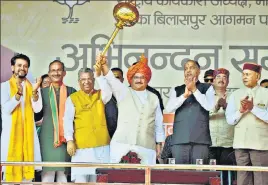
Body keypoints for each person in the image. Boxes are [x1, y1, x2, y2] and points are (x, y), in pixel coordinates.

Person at [97, 54, 165, 164]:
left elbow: (158, 122)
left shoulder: (154, 97)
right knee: (119, 178)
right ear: (130, 78)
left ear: (147, 79)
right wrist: (104, 65)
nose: (139, 80)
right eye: (136, 77)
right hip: (122, 145)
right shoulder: (123, 91)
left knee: (145, 179)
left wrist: (159, 143)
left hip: (146, 147)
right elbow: (111, 79)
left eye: (142, 77)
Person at [64, 67, 112, 182]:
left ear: (94, 80)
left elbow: (108, 92)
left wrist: (99, 75)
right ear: (78, 82)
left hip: (101, 145)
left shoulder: (101, 95)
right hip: (81, 147)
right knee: (81, 180)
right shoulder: (72, 98)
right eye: (83, 79)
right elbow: (67, 120)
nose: (86, 82)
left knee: (99, 180)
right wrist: (69, 140)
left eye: (90, 79)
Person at [1, 54, 42, 183]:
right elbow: (7, 109)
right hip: (10, 142)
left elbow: (37, 108)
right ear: (13, 67)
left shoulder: (32, 87)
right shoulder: (4, 86)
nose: (22, 68)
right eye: (19, 65)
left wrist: (35, 92)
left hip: (28, 141)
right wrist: (18, 94)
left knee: (27, 180)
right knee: (9, 180)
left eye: (25, 66)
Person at [225, 62, 268, 185]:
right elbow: (229, 120)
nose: (244, 77)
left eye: (248, 74)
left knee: (261, 179)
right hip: (240, 144)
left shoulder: (266, 94)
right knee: (242, 178)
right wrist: (241, 111)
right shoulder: (235, 94)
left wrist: (253, 108)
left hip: (260, 145)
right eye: (243, 74)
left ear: (258, 77)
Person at [165, 60, 215, 164]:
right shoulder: (177, 89)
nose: (188, 70)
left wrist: (194, 90)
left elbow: (209, 107)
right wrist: (184, 96)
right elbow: (169, 108)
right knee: (180, 175)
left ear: (199, 71)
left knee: (199, 174)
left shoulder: (207, 88)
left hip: (201, 139)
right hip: (179, 139)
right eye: (186, 68)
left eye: (191, 67)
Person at [39, 60, 76, 182]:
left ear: (64, 73)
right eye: (53, 70)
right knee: (47, 174)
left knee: (62, 174)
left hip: (66, 138)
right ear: (49, 74)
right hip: (47, 137)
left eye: (59, 70)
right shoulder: (41, 93)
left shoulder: (72, 92)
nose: (56, 72)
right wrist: (34, 94)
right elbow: (36, 114)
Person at [209, 68, 236, 185]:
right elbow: (203, 114)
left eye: (224, 77)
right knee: (210, 176)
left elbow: (237, 116)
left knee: (227, 177)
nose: (221, 80)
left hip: (228, 143)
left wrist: (226, 107)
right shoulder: (207, 96)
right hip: (210, 143)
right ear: (213, 81)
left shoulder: (234, 97)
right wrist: (216, 106)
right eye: (218, 77)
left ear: (228, 81)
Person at [105, 67, 124, 138]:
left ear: (122, 80)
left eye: (117, 77)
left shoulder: (129, 95)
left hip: (125, 139)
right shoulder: (102, 97)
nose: (114, 81)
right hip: (107, 140)